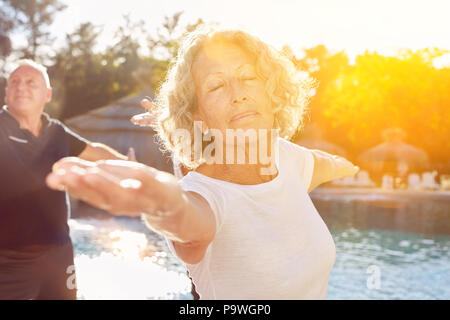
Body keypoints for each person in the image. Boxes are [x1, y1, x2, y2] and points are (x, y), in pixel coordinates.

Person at [46, 28, 359, 299]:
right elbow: (189, 220)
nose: (238, 95)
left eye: (248, 77)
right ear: (199, 117)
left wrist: (352, 165)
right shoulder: (204, 194)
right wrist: (162, 201)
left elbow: (330, 163)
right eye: (216, 86)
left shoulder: (291, 157)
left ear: (271, 89)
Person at [0, 59, 132, 300]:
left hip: (58, 254)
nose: (21, 87)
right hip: (8, 260)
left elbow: (92, 150)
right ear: (6, 92)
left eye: (31, 82)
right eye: (14, 82)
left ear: (47, 94)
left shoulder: (56, 132)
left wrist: (128, 163)